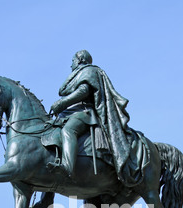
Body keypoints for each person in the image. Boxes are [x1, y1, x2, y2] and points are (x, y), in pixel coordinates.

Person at [48, 49, 131, 179]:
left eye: (73, 61)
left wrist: (62, 103)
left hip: (84, 112)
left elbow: (84, 91)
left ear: (80, 60)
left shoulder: (89, 71)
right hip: (70, 113)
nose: (71, 65)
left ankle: (67, 167)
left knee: (68, 131)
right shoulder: (78, 74)